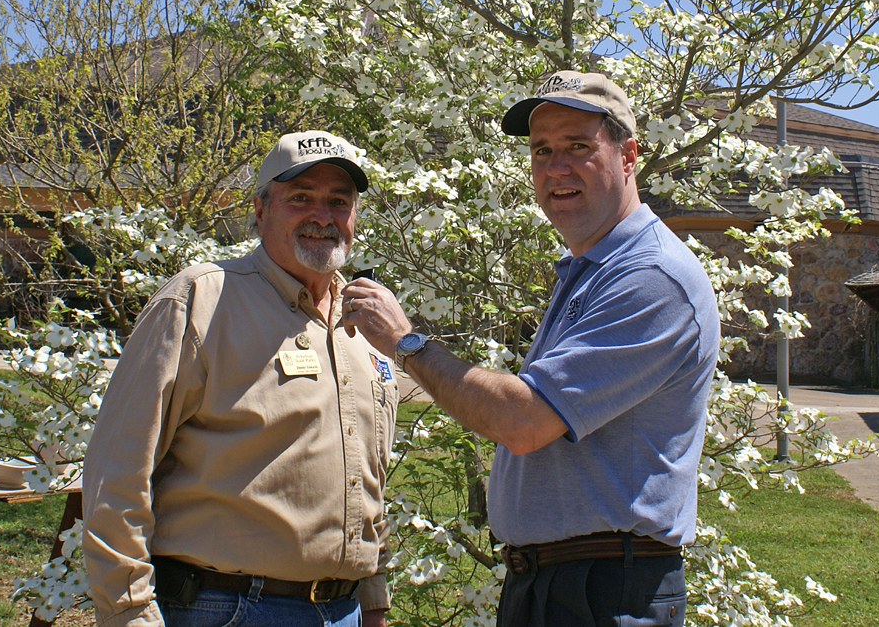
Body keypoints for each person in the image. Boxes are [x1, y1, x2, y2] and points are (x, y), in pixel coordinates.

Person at [343, 70, 720, 627]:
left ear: (629, 156)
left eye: (577, 147)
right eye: (542, 150)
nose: (556, 168)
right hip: (558, 585)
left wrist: (406, 343)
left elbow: (522, 421)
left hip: (602, 591)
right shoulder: (590, 269)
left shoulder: (651, 278)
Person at [83, 130, 397, 627]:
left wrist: (373, 603)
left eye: (339, 201)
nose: (322, 215)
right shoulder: (199, 302)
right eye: (300, 198)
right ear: (259, 209)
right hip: (225, 607)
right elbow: (117, 472)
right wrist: (129, 614)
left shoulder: (369, 322)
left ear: (355, 217)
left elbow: (369, 479)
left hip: (344, 611)